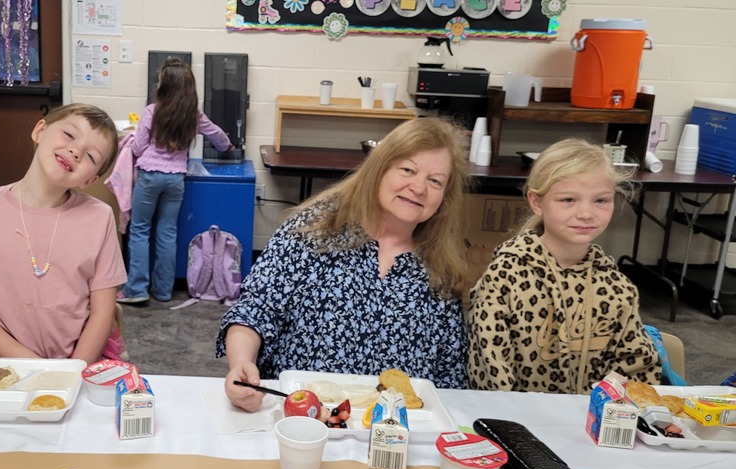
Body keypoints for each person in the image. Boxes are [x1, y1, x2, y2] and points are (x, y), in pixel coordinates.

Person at [219, 117, 472, 412]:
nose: (418, 188)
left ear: (444, 197)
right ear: (380, 169)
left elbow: (450, 377)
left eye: (435, 181)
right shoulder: (313, 231)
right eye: (408, 170)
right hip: (304, 420)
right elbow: (255, 310)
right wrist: (242, 364)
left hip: (395, 436)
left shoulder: (442, 270)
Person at [467, 137, 661, 393]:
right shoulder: (505, 276)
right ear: (536, 202)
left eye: (600, 200)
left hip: (593, 426)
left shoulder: (617, 288)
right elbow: (490, 371)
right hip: (515, 424)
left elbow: (638, 371)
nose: (586, 213)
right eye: (568, 199)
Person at [0, 104, 127, 363]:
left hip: (83, 361)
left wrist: (70, 372)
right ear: (40, 130)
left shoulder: (100, 217)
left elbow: (102, 312)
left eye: (91, 157)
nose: (75, 151)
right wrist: (36, 368)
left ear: (90, 180)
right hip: (8, 361)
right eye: (70, 135)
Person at [117, 58, 232, 304]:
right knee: (167, 233)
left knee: (140, 230)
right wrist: (227, 147)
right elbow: (219, 136)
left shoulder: (152, 111)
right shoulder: (194, 116)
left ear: (165, 86)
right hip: (175, 179)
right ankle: (163, 291)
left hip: (149, 176)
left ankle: (136, 289)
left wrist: (132, 140)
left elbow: (138, 147)